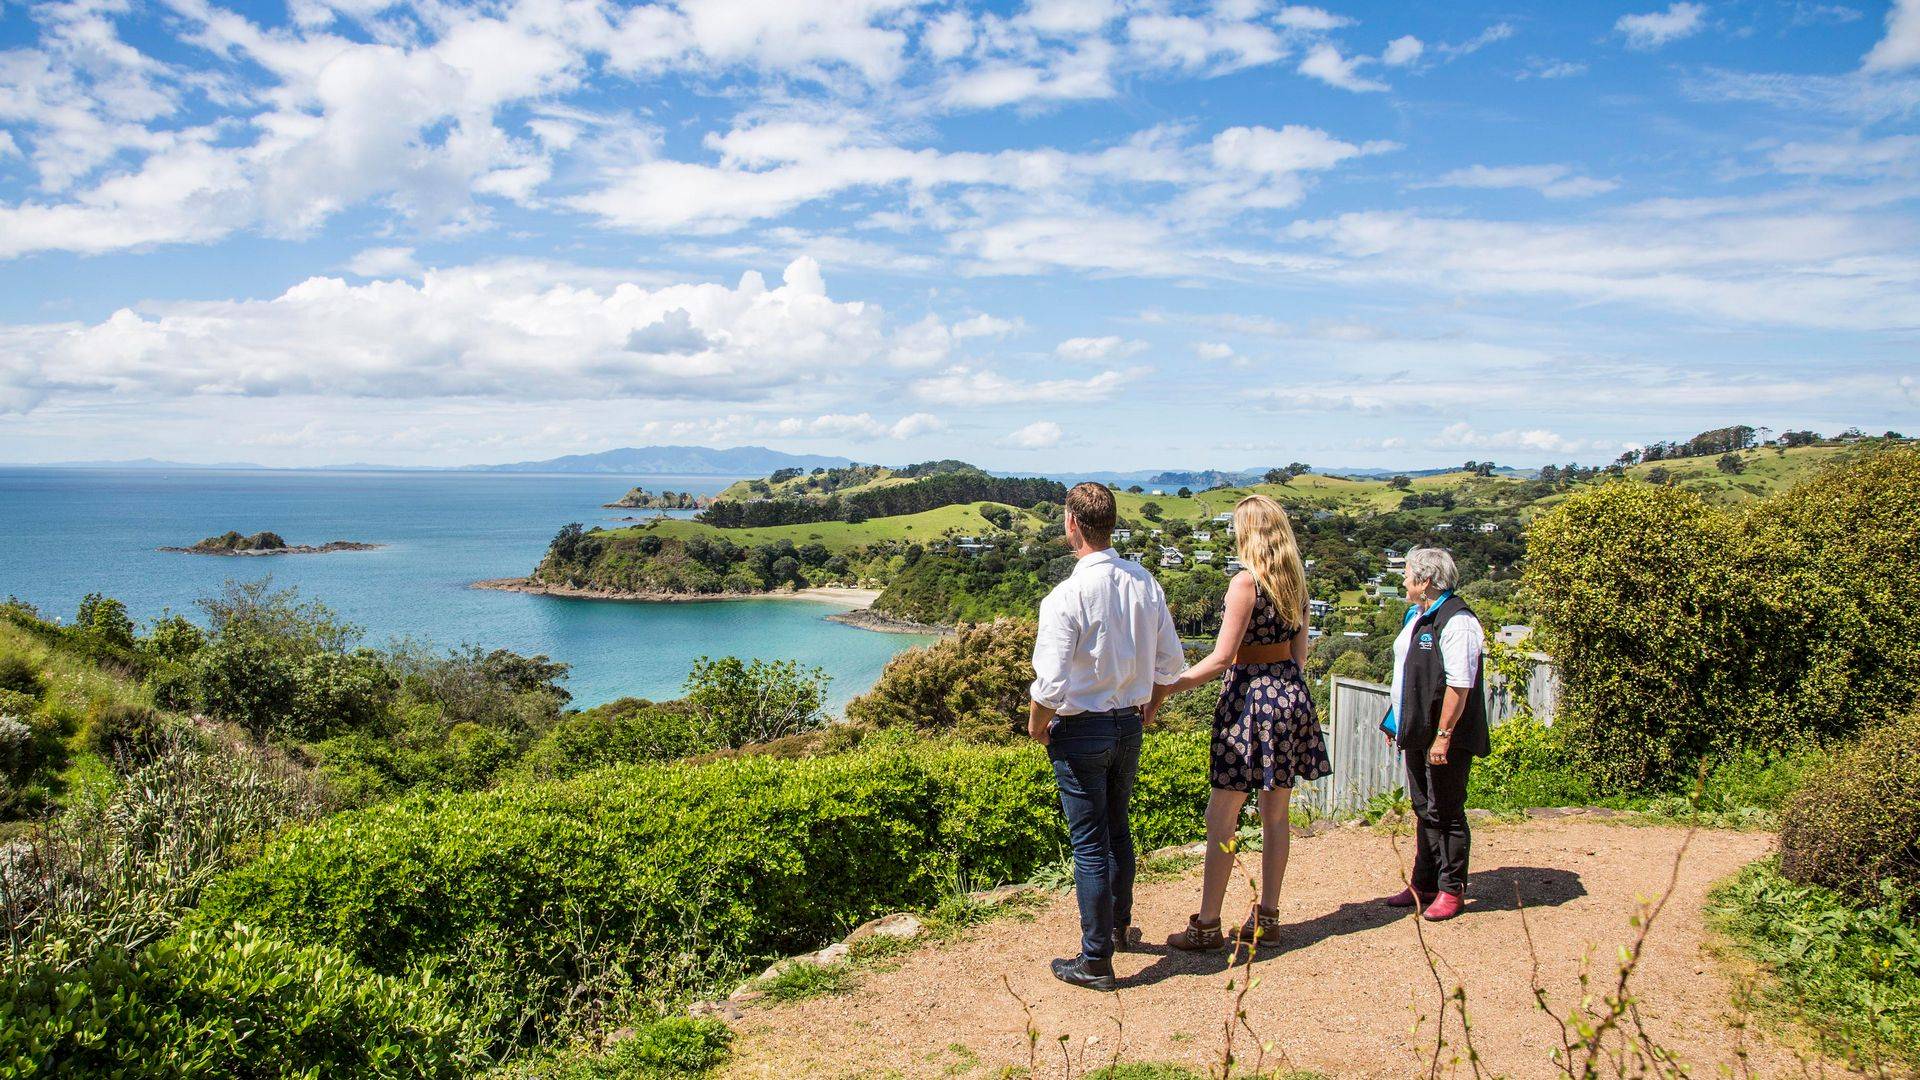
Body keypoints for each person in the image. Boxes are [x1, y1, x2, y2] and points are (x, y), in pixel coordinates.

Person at [1028, 482, 1186, 991]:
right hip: (1128, 723)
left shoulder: (1065, 596)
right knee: (1118, 828)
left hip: (1081, 729)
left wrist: (1036, 727)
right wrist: (1151, 708)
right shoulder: (1145, 584)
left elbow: (1050, 683)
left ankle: (1095, 960)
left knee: (1090, 844)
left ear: (1072, 524)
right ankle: (1118, 930)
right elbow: (1171, 664)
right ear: (1110, 523)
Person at [1157, 495, 1330, 951]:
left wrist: (1166, 687)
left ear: (1247, 533)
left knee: (1223, 815)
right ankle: (1268, 918)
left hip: (1249, 701)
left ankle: (1207, 924)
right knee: (1276, 815)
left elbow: (1220, 659)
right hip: (1290, 698)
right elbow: (1299, 658)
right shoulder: (1297, 585)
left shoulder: (1245, 585)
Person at [1379, 546, 1488, 921]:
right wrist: (1397, 721)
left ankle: (1451, 889)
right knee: (1423, 807)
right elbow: (1408, 673)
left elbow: (1460, 686)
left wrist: (1443, 736)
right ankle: (1423, 883)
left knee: (1446, 810)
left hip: (1445, 734)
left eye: (1408, 574)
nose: (1403, 580)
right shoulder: (1419, 615)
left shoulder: (1457, 621)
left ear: (1425, 581)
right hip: (1419, 729)